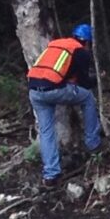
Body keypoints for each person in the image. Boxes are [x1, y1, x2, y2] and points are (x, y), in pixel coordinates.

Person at [25, 24, 102, 182]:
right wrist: (98, 78)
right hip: (54, 90)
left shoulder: (56, 44)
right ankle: (93, 143)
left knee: (46, 132)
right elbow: (84, 83)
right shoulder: (80, 52)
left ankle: (51, 174)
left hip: (34, 91)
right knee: (87, 97)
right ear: (87, 42)